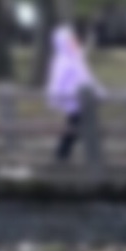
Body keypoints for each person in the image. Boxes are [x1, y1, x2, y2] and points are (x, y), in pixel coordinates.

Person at [45, 24, 102, 163]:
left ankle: (67, 153)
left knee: (81, 126)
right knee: (75, 127)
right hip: (74, 100)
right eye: (71, 40)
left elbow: (88, 77)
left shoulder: (77, 58)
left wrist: (98, 91)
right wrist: (55, 97)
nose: (75, 42)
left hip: (85, 98)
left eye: (74, 39)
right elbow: (57, 81)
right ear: (63, 43)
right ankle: (63, 154)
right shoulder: (62, 60)